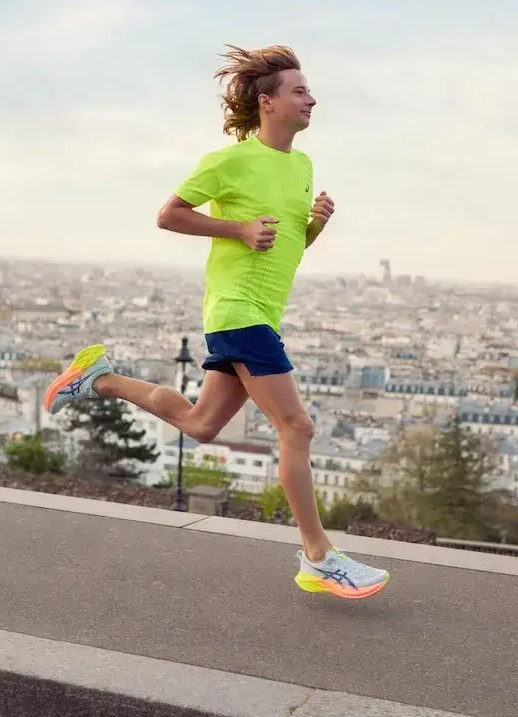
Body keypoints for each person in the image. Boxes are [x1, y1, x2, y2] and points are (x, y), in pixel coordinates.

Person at [44, 44, 389, 600]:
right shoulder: (227, 161)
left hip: (260, 314)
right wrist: (238, 230)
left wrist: (316, 225)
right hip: (237, 310)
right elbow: (168, 215)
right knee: (296, 427)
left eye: (309, 90)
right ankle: (320, 557)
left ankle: (98, 377)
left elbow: (285, 248)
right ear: (267, 101)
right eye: (299, 91)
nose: (311, 99)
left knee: (203, 424)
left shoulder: (301, 167)